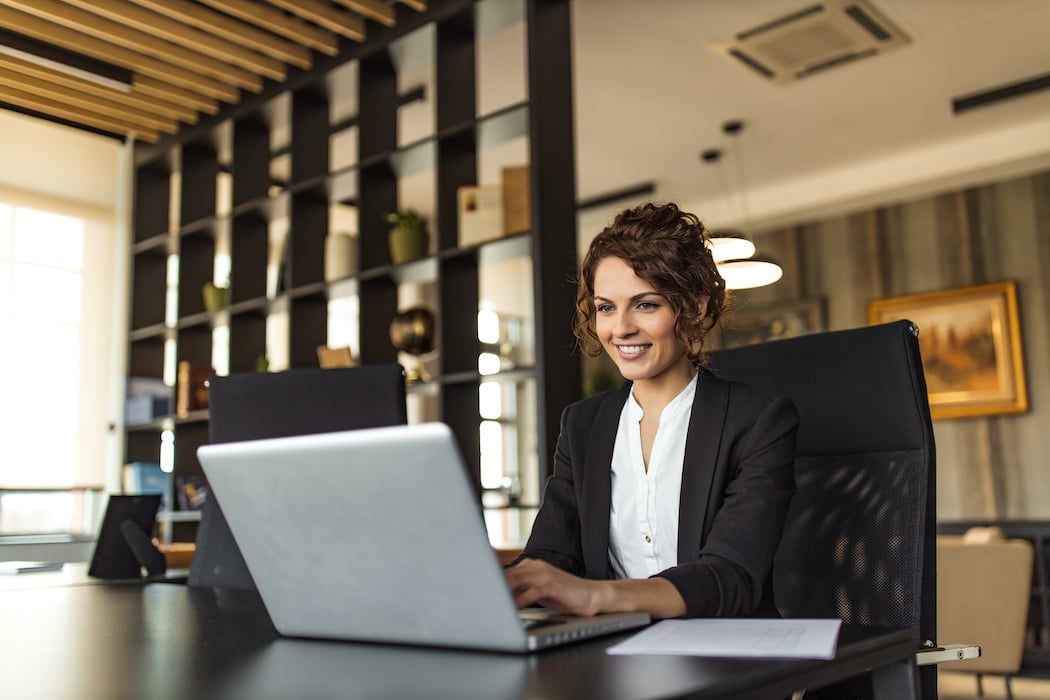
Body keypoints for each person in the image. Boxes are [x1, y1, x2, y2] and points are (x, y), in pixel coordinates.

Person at [504, 201, 798, 620]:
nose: (620, 328)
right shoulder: (583, 425)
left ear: (694, 307)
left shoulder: (758, 421)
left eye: (645, 304)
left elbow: (731, 577)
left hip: (725, 659)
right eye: (606, 307)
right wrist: (501, 583)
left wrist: (599, 597)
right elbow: (553, 554)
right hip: (611, 655)